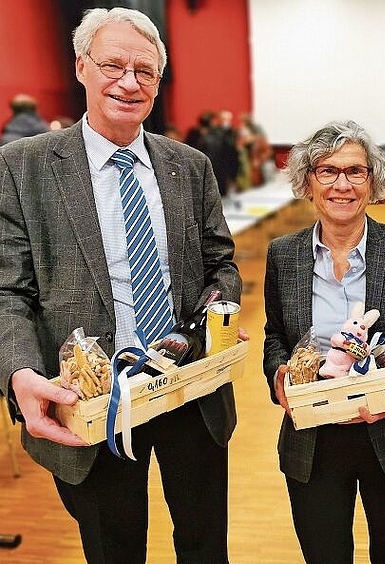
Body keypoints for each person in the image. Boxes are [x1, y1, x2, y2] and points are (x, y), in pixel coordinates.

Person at [0, 7, 244, 564]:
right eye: (113, 65)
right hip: (91, 400)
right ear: (81, 67)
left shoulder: (191, 165)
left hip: (189, 388)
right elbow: (5, 290)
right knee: (114, 551)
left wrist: (204, 323)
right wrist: (18, 372)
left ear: (159, 82)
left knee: (205, 547)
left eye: (146, 71)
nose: (129, 82)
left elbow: (220, 265)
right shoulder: (21, 167)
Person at [263, 120, 385, 564]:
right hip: (314, 437)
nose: (341, 185)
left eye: (355, 172)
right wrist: (280, 375)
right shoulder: (282, 254)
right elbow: (274, 337)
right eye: (327, 171)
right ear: (308, 181)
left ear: (373, 180)